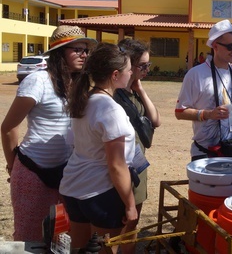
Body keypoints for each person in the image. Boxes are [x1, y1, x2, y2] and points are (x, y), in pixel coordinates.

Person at [1, 25, 96, 241]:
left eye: (86, 50)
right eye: (77, 50)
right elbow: (8, 127)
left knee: (61, 235)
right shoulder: (38, 81)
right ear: (59, 52)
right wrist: (12, 164)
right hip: (33, 170)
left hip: (67, 172)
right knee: (30, 235)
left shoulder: (79, 84)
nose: (84, 55)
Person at [59, 43, 139, 251]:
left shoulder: (84, 101)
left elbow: (76, 144)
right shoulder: (111, 109)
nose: (131, 72)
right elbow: (116, 166)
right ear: (115, 75)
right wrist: (130, 206)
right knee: (106, 249)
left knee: (79, 247)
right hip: (100, 192)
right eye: (128, 69)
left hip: (74, 188)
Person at [113, 38, 161, 253]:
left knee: (133, 222)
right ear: (127, 65)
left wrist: (140, 89)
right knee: (117, 222)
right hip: (122, 166)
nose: (147, 70)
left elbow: (155, 120)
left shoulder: (133, 92)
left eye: (148, 65)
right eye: (142, 66)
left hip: (138, 163)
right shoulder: (114, 94)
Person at [175, 19, 232, 161]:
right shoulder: (195, 74)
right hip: (205, 153)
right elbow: (180, 112)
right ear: (215, 46)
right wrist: (208, 114)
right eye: (230, 46)